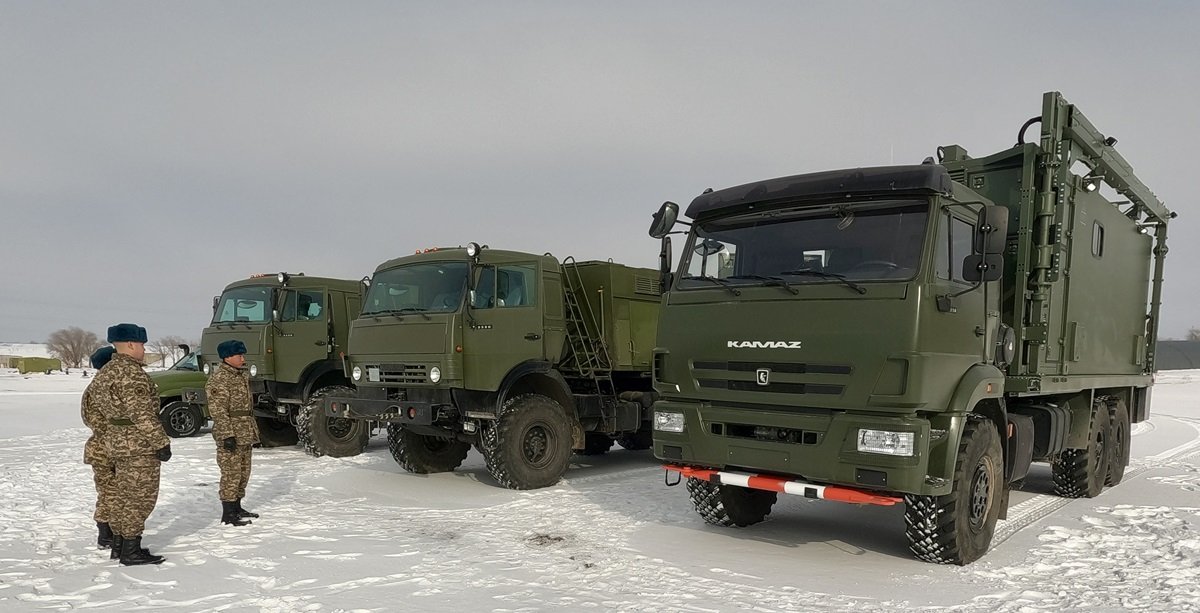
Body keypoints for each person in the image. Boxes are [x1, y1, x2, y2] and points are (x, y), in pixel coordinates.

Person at [90, 323, 171, 565]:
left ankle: (119, 545)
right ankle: (131, 550)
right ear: (132, 344)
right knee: (140, 498)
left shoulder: (106, 372)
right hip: (137, 445)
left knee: (123, 496)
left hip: (117, 443)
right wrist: (160, 441)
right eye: (142, 345)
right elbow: (141, 413)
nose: (144, 350)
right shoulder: (130, 373)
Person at [206, 339, 260, 526]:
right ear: (228, 357)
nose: (243, 358)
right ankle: (228, 513)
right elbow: (218, 410)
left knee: (244, 472)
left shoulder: (240, 375)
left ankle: (236, 507)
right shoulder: (220, 379)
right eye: (239, 355)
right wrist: (226, 434)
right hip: (231, 433)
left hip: (244, 431)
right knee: (231, 473)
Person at [81, 345, 117, 551]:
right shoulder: (101, 388)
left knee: (110, 490)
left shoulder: (99, 386)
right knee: (109, 491)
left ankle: (110, 531)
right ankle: (105, 534)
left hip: (105, 447)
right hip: (105, 448)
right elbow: (100, 423)